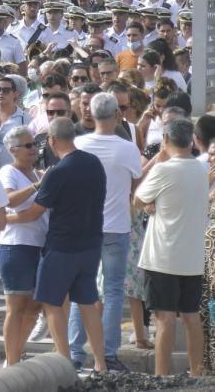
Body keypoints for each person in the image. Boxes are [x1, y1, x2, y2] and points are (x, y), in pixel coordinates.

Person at [7, 116, 108, 374]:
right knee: (88, 302)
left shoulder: (58, 172)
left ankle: (64, 360)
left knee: (51, 302)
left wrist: (2, 218)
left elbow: (33, 214)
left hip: (62, 245)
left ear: (51, 141)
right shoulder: (94, 163)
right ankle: (100, 363)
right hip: (92, 242)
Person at [66, 91, 140, 373]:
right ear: (116, 115)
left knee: (81, 290)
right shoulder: (128, 148)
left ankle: (75, 353)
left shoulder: (78, 144)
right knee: (112, 292)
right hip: (116, 227)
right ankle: (107, 353)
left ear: (91, 114)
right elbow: (136, 187)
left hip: (84, 227)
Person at [134, 116, 208, 377]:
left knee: (163, 318)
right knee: (190, 316)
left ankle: (161, 376)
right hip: (192, 257)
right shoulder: (201, 169)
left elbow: (138, 198)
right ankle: (197, 372)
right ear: (191, 140)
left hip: (162, 256)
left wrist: (148, 203)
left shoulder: (163, 169)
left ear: (165, 139)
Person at [0, 126, 47, 367]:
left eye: (34, 144)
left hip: (39, 243)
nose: (34, 149)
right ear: (12, 150)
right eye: (28, 146)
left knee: (35, 306)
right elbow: (8, 199)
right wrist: (37, 187)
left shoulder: (37, 174)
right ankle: (11, 359)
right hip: (16, 244)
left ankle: (15, 354)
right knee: (16, 306)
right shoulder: (8, 171)